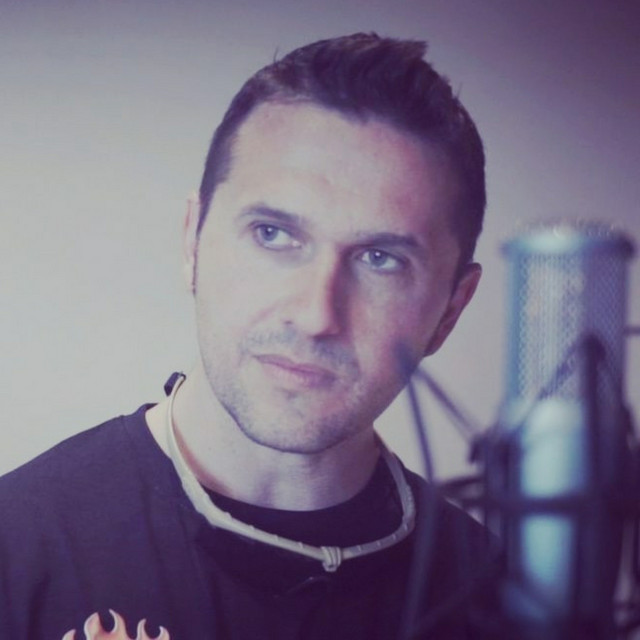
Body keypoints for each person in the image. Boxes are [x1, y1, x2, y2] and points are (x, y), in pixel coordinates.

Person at [0, 33, 493, 639]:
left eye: (380, 259)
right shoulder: (16, 550)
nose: (315, 315)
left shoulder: (501, 598)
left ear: (450, 310)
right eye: (273, 235)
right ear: (192, 241)